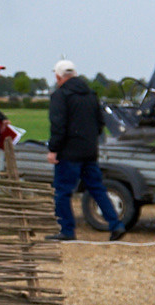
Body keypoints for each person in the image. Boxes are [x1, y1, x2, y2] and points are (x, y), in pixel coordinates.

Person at [44, 60, 124, 242]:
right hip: (89, 151)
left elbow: (58, 125)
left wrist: (53, 149)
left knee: (62, 192)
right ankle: (115, 224)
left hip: (68, 153)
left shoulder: (60, 95)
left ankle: (67, 230)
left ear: (58, 77)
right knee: (97, 189)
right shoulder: (90, 95)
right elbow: (99, 123)